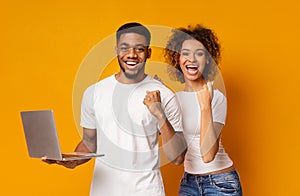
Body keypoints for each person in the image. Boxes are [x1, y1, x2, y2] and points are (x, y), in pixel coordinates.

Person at [43, 22, 186, 196]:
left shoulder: (163, 94)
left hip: (146, 191)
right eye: (125, 48)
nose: (131, 55)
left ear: (148, 53)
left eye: (139, 49)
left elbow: (178, 158)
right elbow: (89, 143)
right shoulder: (94, 92)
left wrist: (160, 114)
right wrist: (70, 160)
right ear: (116, 50)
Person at [164, 24, 243, 195]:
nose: (191, 59)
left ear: (207, 59)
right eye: (185, 53)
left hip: (221, 183)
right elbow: (175, 155)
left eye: (199, 53)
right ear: (177, 58)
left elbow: (208, 155)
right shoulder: (174, 99)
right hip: (188, 181)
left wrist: (205, 105)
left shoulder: (216, 97)